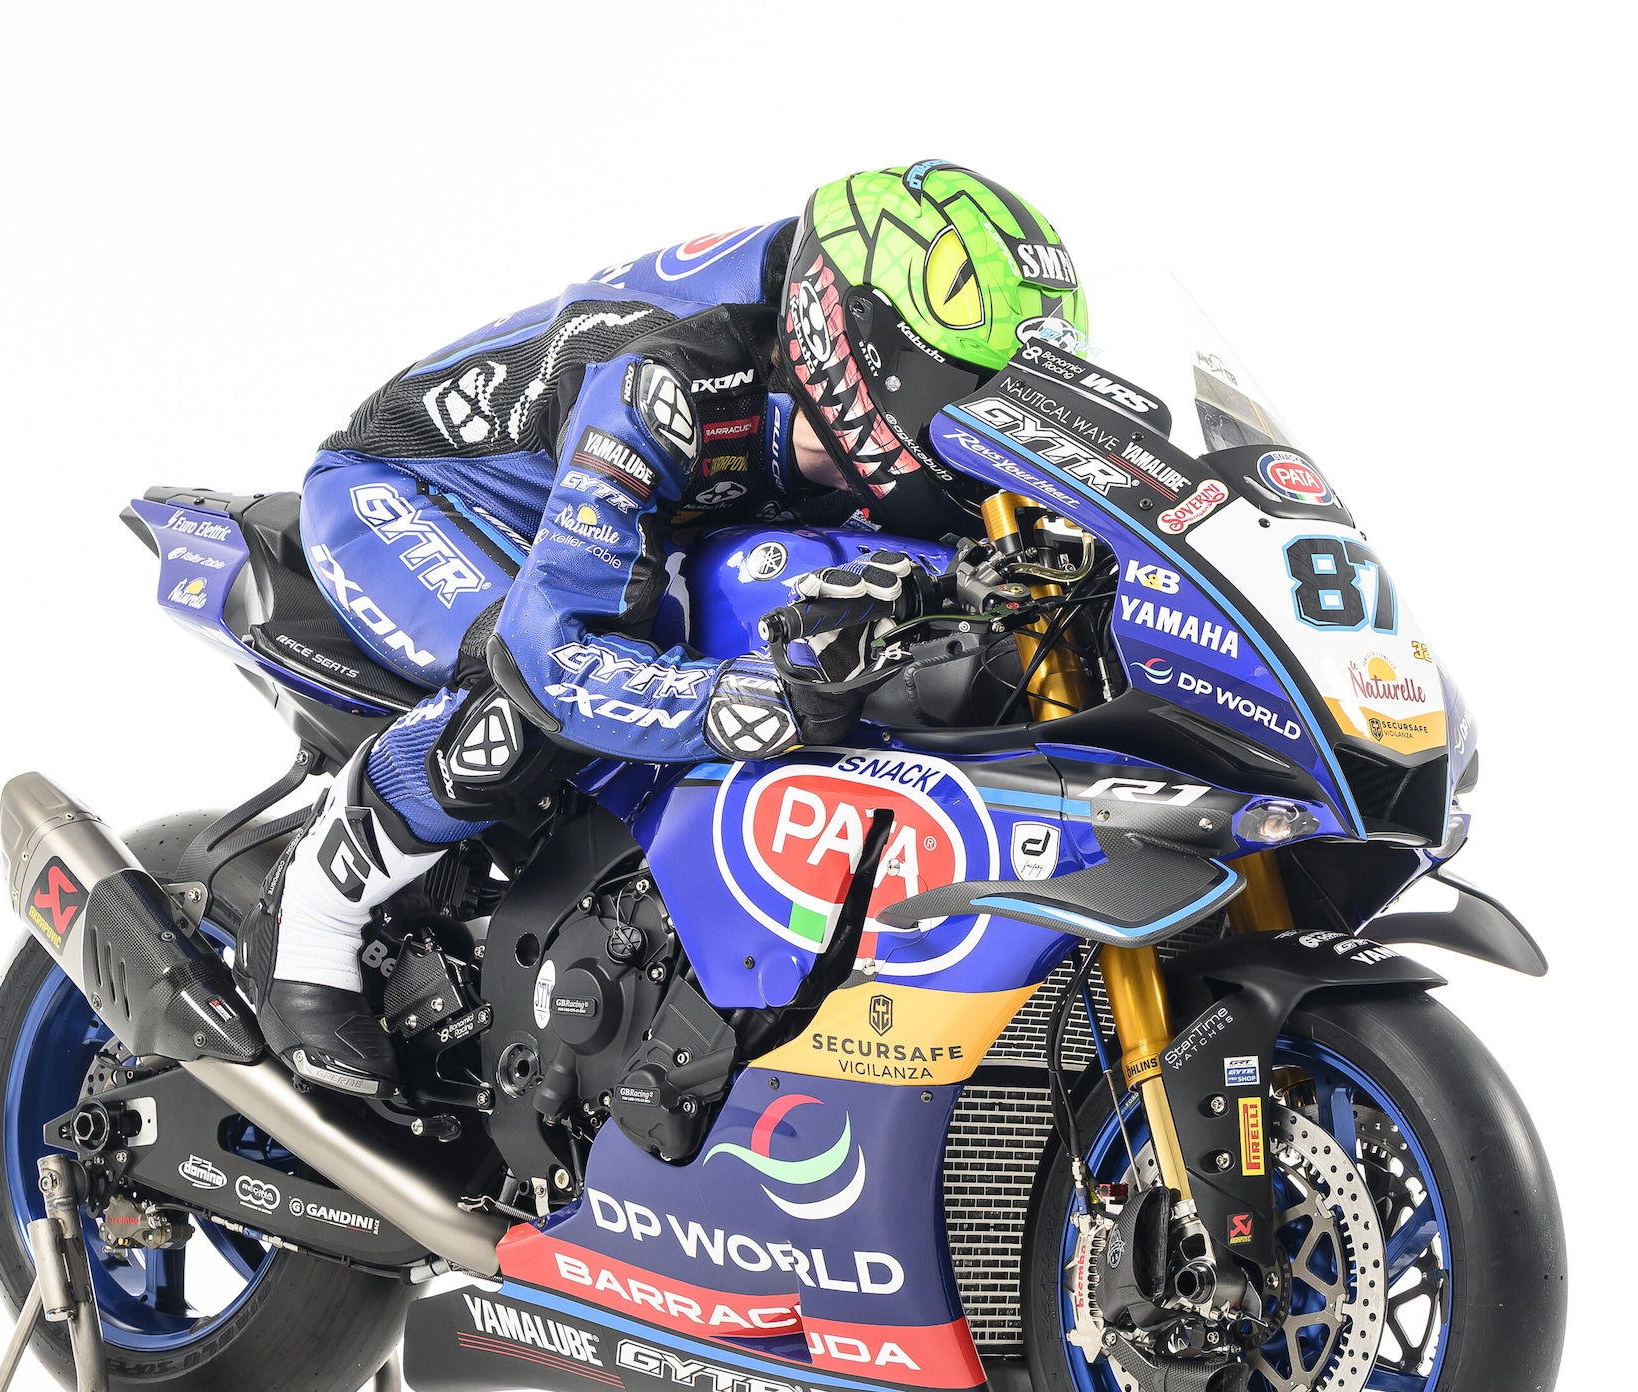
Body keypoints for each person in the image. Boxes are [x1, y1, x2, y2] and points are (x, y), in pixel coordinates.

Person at [245, 162, 1088, 1094]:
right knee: (536, 695)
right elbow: (552, 657)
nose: (973, 421)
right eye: (965, 390)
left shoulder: (860, 365)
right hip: (412, 493)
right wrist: (758, 701)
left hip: (648, 505)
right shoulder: (671, 378)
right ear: (870, 354)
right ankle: (308, 915)